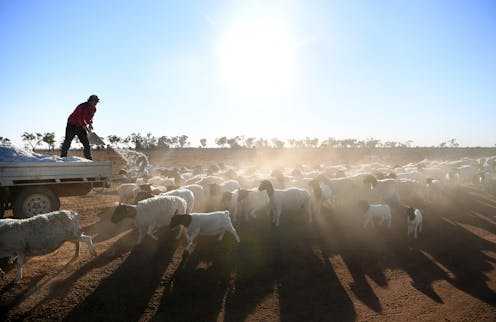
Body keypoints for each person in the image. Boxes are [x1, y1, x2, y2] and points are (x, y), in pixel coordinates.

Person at [60, 95, 99, 160]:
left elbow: (90, 118)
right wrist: (86, 129)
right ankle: (63, 158)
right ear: (90, 101)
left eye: (97, 102)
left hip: (80, 127)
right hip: (71, 125)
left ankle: (89, 160)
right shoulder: (82, 107)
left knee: (86, 143)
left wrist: (90, 123)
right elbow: (81, 119)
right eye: (94, 101)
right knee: (67, 142)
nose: (96, 103)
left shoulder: (94, 109)